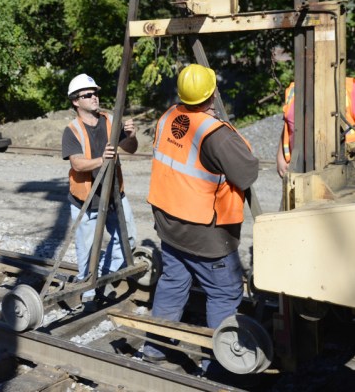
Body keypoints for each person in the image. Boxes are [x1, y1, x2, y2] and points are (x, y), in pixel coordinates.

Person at [141, 64, 259, 377]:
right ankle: (218, 365)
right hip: (206, 234)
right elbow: (247, 173)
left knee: (173, 283)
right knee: (223, 294)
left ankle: (155, 347)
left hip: (169, 225)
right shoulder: (214, 133)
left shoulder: (168, 117)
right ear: (212, 93)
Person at [61, 73, 138, 304]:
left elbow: (131, 149)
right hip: (87, 199)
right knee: (87, 251)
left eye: (95, 93)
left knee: (128, 241)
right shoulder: (72, 130)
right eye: (88, 94)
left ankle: (102, 276)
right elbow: (77, 163)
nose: (94, 97)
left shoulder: (110, 120)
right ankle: (87, 293)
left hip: (115, 194)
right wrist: (101, 160)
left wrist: (131, 136)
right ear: (76, 101)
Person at [277, 78, 355, 178]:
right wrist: (280, 157)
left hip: (341, 172)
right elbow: (288, 124)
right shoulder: (295, 88)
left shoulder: (349, 87)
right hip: (297, 170)